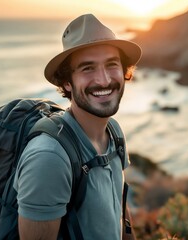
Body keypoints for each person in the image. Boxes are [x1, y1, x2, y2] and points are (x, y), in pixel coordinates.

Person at [13, 13, 142, 239]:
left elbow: (120, 211)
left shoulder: (114, 132)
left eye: (112, 65)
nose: (103, 80)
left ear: (124, 71)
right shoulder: (49, 158)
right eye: (87, 68)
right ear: (66, 82)